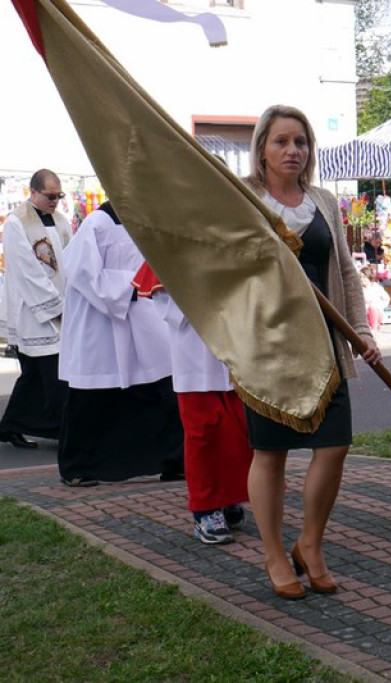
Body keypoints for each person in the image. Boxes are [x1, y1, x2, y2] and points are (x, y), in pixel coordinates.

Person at [243, 105, 380, 600]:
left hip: (326, 342)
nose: (292, 150)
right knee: (271, 453)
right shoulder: (243, 198)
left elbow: (344, 271)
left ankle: (310, 544)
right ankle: (274, 554)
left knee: (335, 445)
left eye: (300, 141)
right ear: (262, 148)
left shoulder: (322, 200)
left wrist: (360, 328)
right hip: (269, 347)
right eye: (281, 141)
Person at [57, 201, 185, 487]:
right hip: (99, 323)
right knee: (91, 398)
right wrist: (133, 284)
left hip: (141, 316)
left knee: (161, 387)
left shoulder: (145, 221)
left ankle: (173, 460)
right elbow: (80, 272)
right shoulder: (98, 222)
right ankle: (78, 466)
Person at [143, 264, 253, 545]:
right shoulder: (170, 241)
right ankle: (205, 509)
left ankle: (227, 498)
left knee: (237, 428)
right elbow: (163, 295)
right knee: (203, 431)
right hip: (194, 345)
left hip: (235, 341)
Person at [0, 169, 71, 448]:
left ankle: (11, 425)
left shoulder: (61, 220)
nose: (55, 201)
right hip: (33, 311)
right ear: (33, 191)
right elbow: (26, 272)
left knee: (35, 376)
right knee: (51, 373)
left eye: (59, 196)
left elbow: (70, 261)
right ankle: (62, 429)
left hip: (61, 308)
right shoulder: (17, 222)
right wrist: (55, 307)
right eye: (50, 196)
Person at [360, 266, 390, 332]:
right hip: (364, 313)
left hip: (376, 312)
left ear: (369, 277)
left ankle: (374, 327)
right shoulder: (360, 289)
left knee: (372, 307)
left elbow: (386, 298)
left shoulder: (376, 287)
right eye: (360, 277)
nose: (362, 279)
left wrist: (380, 306)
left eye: (364, 277)